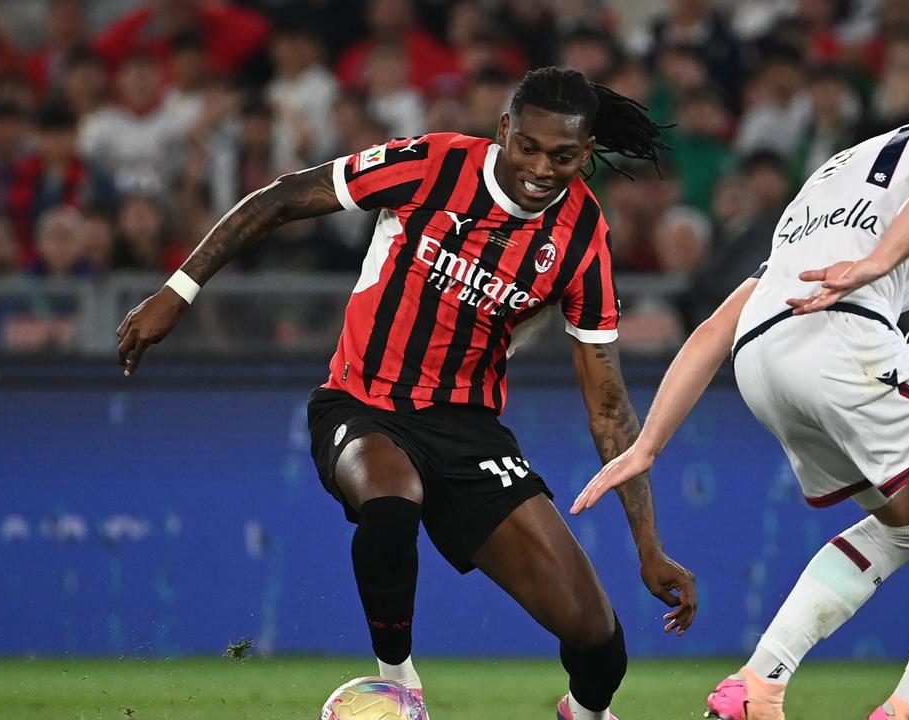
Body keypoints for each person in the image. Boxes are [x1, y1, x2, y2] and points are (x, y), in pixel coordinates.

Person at [115, 67, 697, 720]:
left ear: (585, 154)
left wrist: (648, 545)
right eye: (527, 147)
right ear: (504, 129)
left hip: (470, 433)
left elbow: (610, 406)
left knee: (598, 642)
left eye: (562, 156)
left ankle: (582, 715)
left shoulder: (582, 236)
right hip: (361, 405)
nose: (540, 168)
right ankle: (399, 688)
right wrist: (178, 290)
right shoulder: (431, 165)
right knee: (391, 502)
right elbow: (280, 198)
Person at [571, 87, 909, 720]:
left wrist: (650, 444)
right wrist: (878, 261)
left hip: (763, 360)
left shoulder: (832, 180)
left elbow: (719, 325)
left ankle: (757, 686)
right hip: (841, 336)